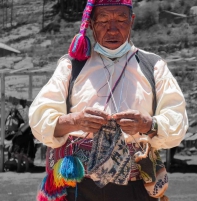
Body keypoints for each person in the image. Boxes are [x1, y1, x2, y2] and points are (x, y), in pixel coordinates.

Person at [29, 1, 188, 201]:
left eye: (121, 20)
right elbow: (39, 120)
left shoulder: (154, 66)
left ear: (132, 21)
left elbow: (177, 121)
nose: (112, 29)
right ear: (92, 24)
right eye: (103, 20)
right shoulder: (71, 66)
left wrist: (147, 124)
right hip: (79, 189)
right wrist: (75, 121)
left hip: (135, 188)